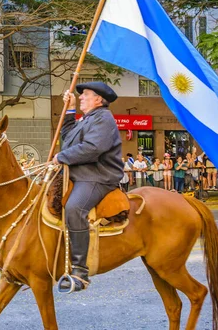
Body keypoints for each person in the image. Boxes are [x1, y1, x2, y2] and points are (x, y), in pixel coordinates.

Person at [52, 82, 122, 293]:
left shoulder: (104, 119)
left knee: (75, 208)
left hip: (97, 176)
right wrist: (70, 109)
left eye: (85, 95)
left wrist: (60, 157)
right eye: (80, 95)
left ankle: (80, 272)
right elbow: (68, 137)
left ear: (99, 100)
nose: (81, 96)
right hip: (80, 175)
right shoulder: (88, 119)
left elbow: (93, 148)